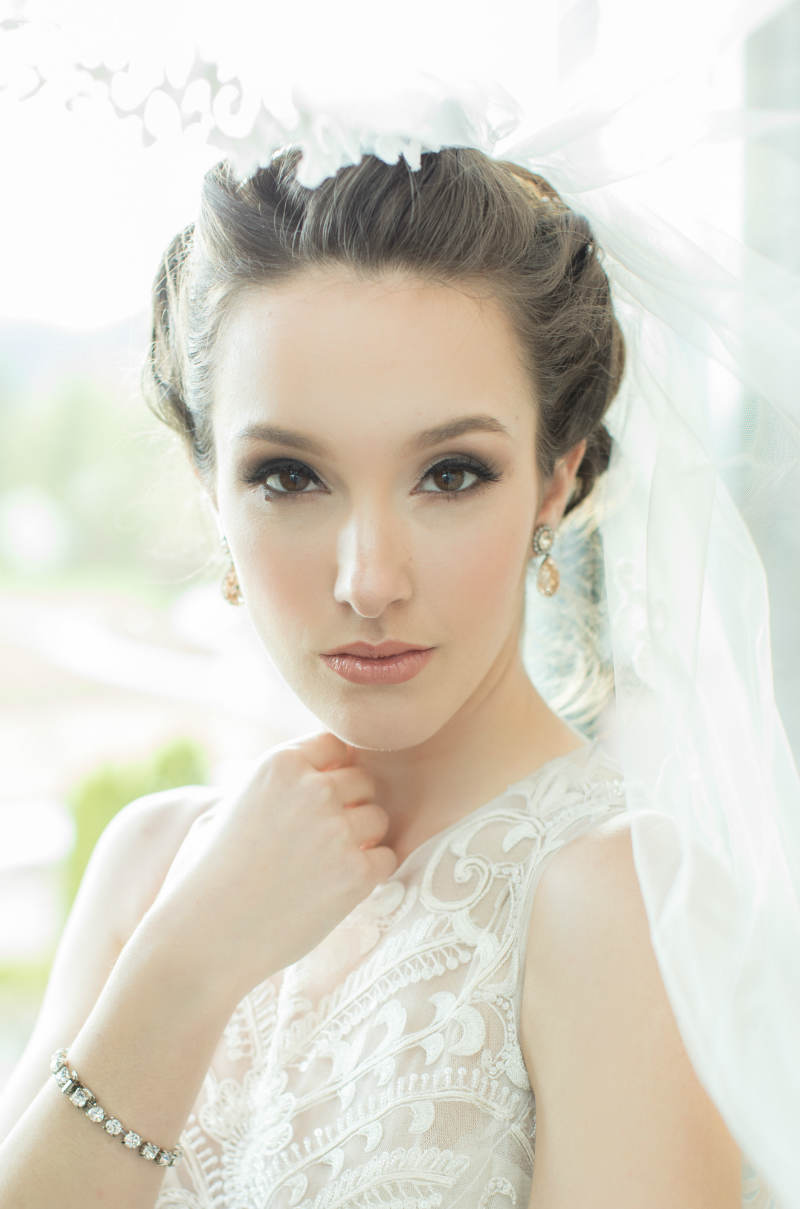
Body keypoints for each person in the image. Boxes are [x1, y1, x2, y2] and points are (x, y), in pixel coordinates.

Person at [0, 146, 775, 1208]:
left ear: (555, 478)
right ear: (207, 488)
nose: (368, 580)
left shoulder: (615, 906)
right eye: (288, 476)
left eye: (450, 474)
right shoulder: (151, 866)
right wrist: (185, 969)